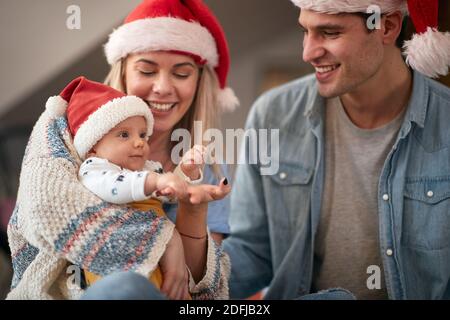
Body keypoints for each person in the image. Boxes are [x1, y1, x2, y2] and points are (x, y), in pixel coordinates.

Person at [7, 0, 236, 300]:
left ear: (198, 82)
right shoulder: (67, 126)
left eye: (181, 74)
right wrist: (164, 238)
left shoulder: (210, 170)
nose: (163, 87)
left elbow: (203, 291)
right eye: (146, 70)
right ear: (124, 70)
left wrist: (193, 211)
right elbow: (47, 211)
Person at [223, 0, 450, 300]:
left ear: (388, 26)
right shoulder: (272, 114)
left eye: (329, 33)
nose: (308, 52)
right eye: (305, 31)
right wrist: (182, 258)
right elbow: (252, 252)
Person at [61, 76, 209, 291]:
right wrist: (155, 180)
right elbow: (114, 187)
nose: (139, 142)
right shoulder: (94, 169)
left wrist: (184, 172)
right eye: (124, 135)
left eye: (142, 134)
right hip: (116, 264)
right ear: (93, 147)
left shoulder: (145, 170)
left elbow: (168, 194)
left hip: (153, 261)